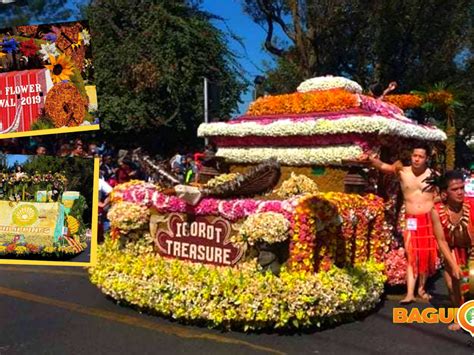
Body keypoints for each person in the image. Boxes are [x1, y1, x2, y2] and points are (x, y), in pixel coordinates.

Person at [368, 143, 438, 303]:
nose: (417, 159)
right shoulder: (402, 171)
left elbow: (441, 195)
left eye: (421, 157)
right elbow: (383, 166)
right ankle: (410, 293)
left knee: (425, 254)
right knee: (412, 254)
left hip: (428, 218)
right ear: (411, 156)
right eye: (415, 156)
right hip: (411, 218)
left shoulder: (434, 175)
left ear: (426, 158)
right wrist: (369, 156)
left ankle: (421, 289)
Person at [431, 170, 472, 330]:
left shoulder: (472, 205)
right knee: (452, 284)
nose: (460, 192)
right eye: (455, 189)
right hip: (451, 250)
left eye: (462, 188)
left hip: (472, 249)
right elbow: (441, 240)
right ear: (444, 193)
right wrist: (454, 265)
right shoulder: (436, 211)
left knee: (472, 284)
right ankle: (459, 317)